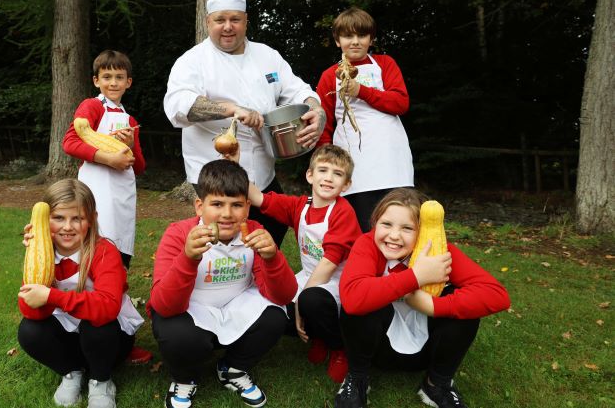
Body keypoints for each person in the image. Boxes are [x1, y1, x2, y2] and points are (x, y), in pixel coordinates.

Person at [163, 0, 327, 247]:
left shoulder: (267, 56)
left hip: (262, 171)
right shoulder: (193, 61)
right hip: (214, 173)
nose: (228, 27)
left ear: (246, 21)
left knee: (271, 229)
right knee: (226, 242)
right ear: (208, 22)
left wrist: (316, 109)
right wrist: (230, 109)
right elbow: (178, 106)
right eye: (220, 20)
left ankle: (259, 283)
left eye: (235, 19)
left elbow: (297, 90)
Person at [333, 188, 511, 408]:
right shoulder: (367, 244)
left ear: (424, 231)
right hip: (380, 349)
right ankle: (358, 378)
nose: (394, 235)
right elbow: (352, 297)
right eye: (386, 224)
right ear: (374, 223)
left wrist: (434, 306)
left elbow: (497, 294)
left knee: (466, 307)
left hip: (425, 351)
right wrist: (416, 276)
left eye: (407, 228)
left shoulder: (441, 253)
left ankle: (437, 383)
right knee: (359, 301)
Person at [148, 159, 298, 408]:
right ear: (199, 206)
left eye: (236, 205)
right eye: (217, 204)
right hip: (192, 311)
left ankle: (233, 368)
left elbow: (284, 295)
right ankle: (184, 379)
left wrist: (273, 258)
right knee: (175, 333)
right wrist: (188, 258)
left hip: (235, 305)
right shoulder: (179, 234)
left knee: (276, 317)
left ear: (247, 208)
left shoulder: (254, 231)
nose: (227, 214)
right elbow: (163, 305)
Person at [17, 179, 145, 408]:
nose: (67, 226)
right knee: (29, 331)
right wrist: (34, 255)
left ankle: (101, 380)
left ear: (92, 220)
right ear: (45, 221)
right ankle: (71, 371)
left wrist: (51, 296)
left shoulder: (104, 251)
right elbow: (32, 312)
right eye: (58, 218)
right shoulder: (42, 253)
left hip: (110, 338)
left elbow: (106, 308)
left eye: (77, 218)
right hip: (69, 332)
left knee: (97, 326)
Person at [244, 145, 361, 383]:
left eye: (337, 174)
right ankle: (318, 335)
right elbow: (257, 197)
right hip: (310, 275)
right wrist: (235, 163)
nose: (328, 178)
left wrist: (300, 306)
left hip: (340, 280)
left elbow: (329, 265)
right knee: (267, 301)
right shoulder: (300, 206)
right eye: (323, 170)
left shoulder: (343, 212)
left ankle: (339, 347)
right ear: (310, 175)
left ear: (346, 185)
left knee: (310, 301)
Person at [315, 7, 413, 232]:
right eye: (348, 36)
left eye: (362, 35)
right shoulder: (330, 76)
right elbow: (324, 123)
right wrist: (325, 161)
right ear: (338, 41)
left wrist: (362, 91)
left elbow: (400, 103)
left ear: (371, 39)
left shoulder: (386, 64)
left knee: (397, 222)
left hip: (392, 160)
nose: (355, 42)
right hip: (354, 162)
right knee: (362, 226)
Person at [63, 49, 146, 270]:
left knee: (120, 237)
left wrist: (129, 147)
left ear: (128, 82)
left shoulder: (130, 120)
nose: (113, 83)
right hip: (96, 188)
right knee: (94, 235)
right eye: (107, 77)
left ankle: (117, 287)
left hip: (123, 194)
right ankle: (88, 284)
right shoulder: (91, 107)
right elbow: (70, 142)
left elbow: (139, 167)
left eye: (119, 77)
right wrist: (108, 159)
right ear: (96, 80)